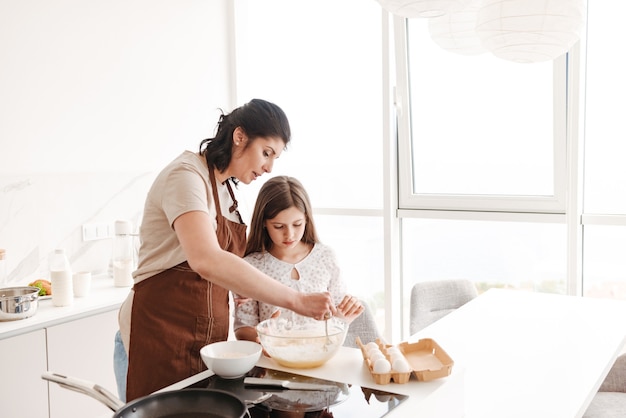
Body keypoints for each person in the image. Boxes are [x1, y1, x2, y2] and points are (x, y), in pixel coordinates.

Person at [117, 99, 336, 402]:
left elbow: (221, 265)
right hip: (160, 334)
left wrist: (233, 285)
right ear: (239, 136)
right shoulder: (186, 177)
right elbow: (206, 259)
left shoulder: (227, 191)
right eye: (266, 152)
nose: (269, 167)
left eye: (275, 157)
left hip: (207, 341)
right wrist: (297, 300)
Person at [234, 176, 364, 344]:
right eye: (279, 226)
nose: (290, 235)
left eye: (297, 224)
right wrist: (265, 335)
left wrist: (345, 313)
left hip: (320, 358)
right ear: (264, 222)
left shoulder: (325, 257)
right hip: (272, 361)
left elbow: (337, 319)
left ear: (306, 219)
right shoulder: (251, 266)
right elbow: (243, 329)